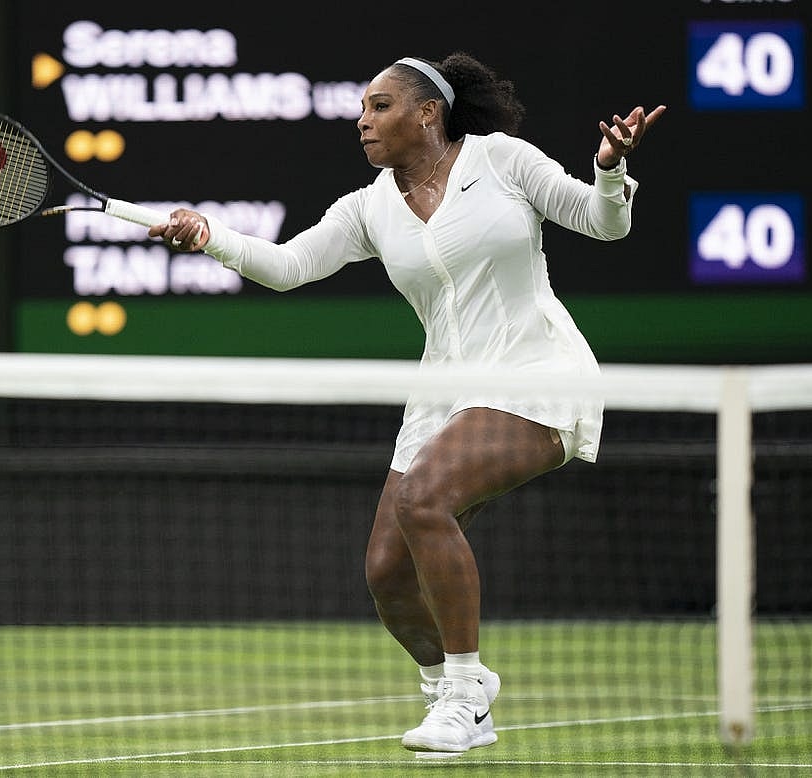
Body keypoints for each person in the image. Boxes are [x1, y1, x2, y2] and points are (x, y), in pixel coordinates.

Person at [150, 52, 665, 756]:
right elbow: (288, 266)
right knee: (387, 574)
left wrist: (610, 168)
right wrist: (208, 237)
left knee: (425, 500)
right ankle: (451, 687)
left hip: (536, 370)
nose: (364, 119)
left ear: (428, 113)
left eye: (380, 105)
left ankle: (465, 702)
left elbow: (604, 224)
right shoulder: (369, 206)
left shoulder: (502, 160)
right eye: (362, 108)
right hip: (440, 393)